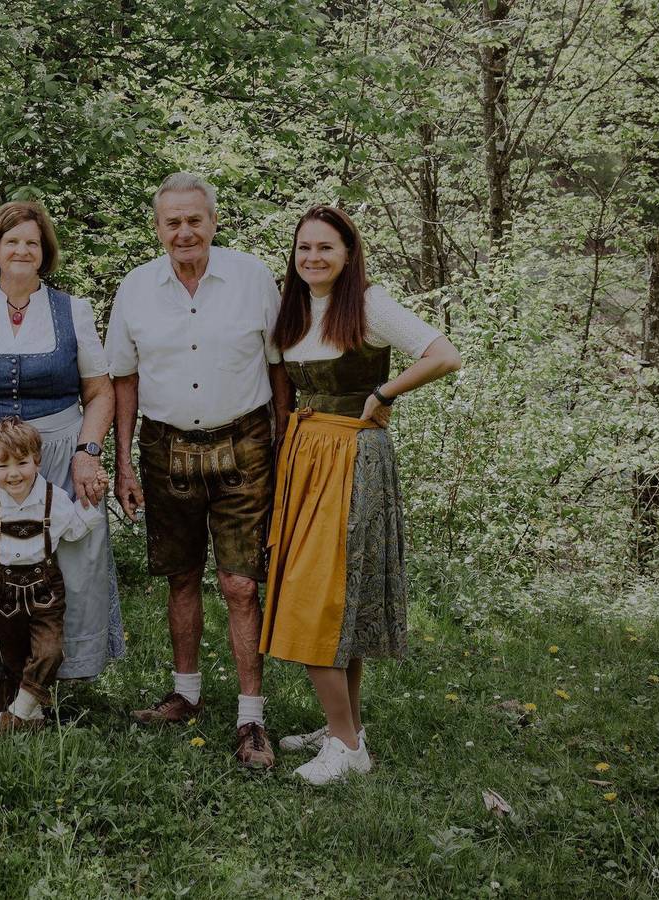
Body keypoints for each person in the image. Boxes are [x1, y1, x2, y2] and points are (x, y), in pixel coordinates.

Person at [261, 205, 461, 784]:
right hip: (305, 456)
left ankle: (348, 749)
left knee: (315, 596)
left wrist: (385, 391)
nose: (313, 258)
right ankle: (343, 725)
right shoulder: (293, 309)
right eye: (304, 248)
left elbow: (443, 354)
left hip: (352, 457)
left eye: (326, 248)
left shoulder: (368, 305)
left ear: (348, 254)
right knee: (330, 595)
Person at [106, 172, 289, 769]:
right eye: (172, 222)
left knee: (240, 582)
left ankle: (250, 717)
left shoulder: (253, 279)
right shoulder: (135, 289)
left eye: (194, 220)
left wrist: (284, 442)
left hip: (244, 441)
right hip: (166, 446)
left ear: (212, 221)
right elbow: (123, 378)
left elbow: (280, 365)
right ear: (157, 227)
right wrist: (123, 459)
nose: (184, 232)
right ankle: (185, 697)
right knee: (180, 576)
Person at [0, 200, 123, 713]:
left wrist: (88, 452)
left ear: (45, 254)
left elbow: (101, 391)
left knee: (66, 561)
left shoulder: (71, 309)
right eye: (12, 241)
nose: (22, 250)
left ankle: (47, 679)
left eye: (32, 243)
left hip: (59, 451)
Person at [0, 417, 105, 734]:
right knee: (14, 660)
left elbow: (74, 530)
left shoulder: (53, 499)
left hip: (45, 590)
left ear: (37, 461)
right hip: (3, 592)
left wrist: (92, 500)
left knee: (49, 652)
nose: (14, 473)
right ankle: (32, 719)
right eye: (3, 466)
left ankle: (14, 714)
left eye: (22, 463)